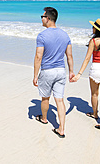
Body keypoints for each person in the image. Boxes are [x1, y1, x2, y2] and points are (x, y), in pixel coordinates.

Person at [33, 7, 74, 138]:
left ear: (48, 19)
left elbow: (38, 56)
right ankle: (61, 128)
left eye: (42, 16)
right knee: (60, 100)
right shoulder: (65, 35)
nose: (41, 18)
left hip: (48, 71)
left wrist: (35, 75)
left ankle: (44, 118)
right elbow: (69, 56)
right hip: (61, 71)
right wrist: (71, 71)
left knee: (45, 97)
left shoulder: (42, 35)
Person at [72, 18, 100, 131]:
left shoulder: (93, 41)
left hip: (97, 68)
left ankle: (95, 114)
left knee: (94, 94)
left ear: (96, 29)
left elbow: (87, 59)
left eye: (93, 27)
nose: (92, 28)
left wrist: (79, 74)